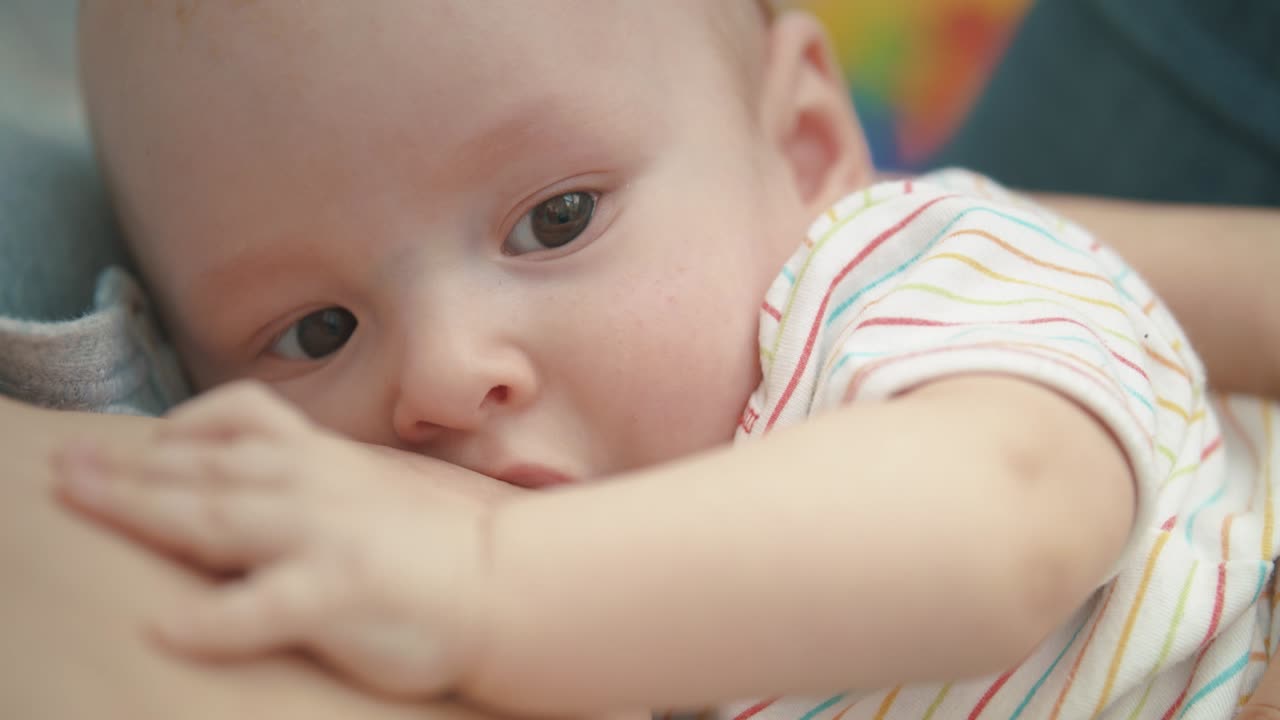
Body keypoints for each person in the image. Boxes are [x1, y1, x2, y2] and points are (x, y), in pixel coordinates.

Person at [26, 2, 1280, 719]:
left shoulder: (903, 276)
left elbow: (1011, 519)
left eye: (556, 219)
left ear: (798, 148)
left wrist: (483, 580)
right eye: (314, 332)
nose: (446, 376)